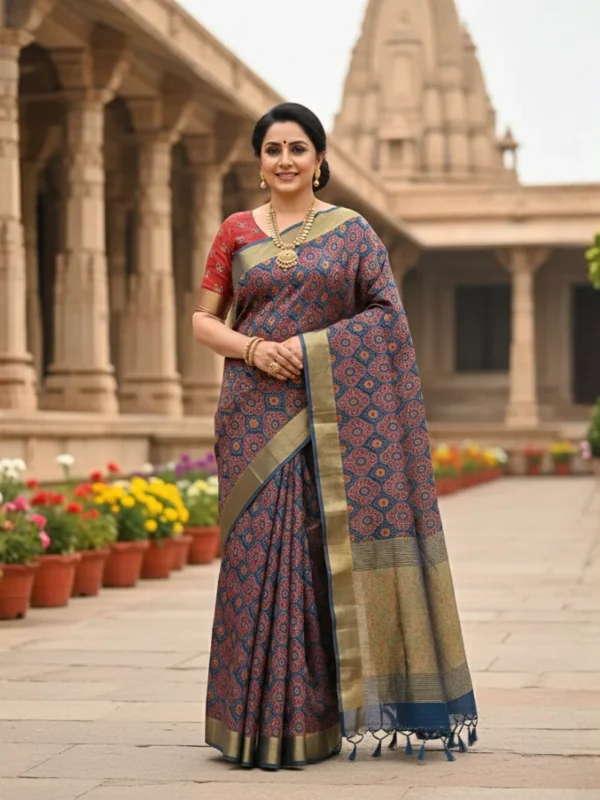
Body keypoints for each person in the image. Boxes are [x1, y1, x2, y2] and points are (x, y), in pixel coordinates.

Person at [192, 102, 478, 770]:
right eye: (273, 149)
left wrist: (311, 348)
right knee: (259, 559)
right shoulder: (235, 232)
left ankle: (313, 720)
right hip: (252, 409)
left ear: (321, 159)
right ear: (259, 162)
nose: (285, 160)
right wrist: (257, 351)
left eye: (298, 148)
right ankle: (251, 721)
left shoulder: (352, 233)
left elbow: (387, 319)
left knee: (319, 558)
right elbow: (204, 321)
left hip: (333, 414)